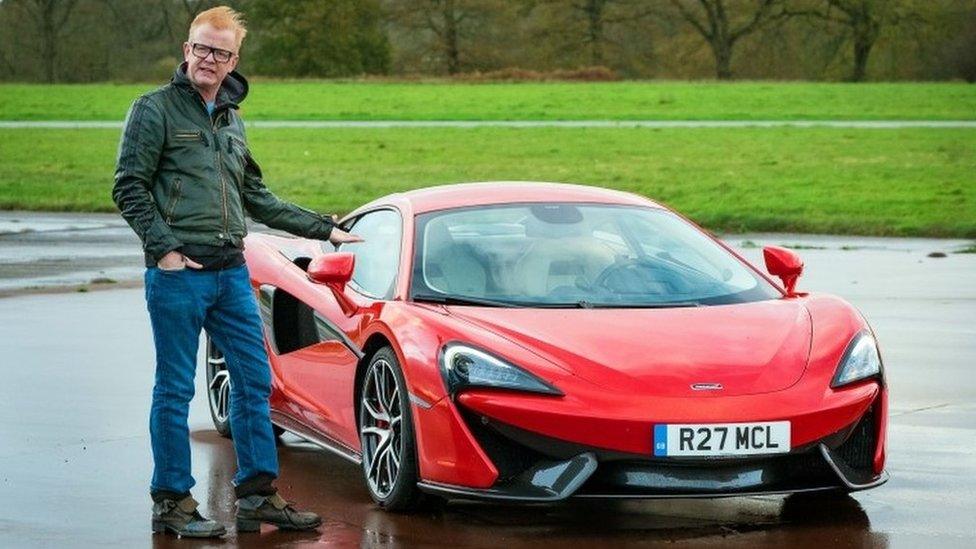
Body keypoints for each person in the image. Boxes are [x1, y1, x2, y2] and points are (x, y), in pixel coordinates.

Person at [111, 6, 362, 538]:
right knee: (174, 389)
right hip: (179, 274)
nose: (209, 59)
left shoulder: (231, 117)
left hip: (231, 273)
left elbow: (255, 197)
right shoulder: (153, 110)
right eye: (201, 48)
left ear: (233, 61)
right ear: (186, 50)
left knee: (256, 382)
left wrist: (324, 228)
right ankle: (172, 501)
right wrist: (165, 250)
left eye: (220, 52)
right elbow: (128, 186)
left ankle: (256, 496)